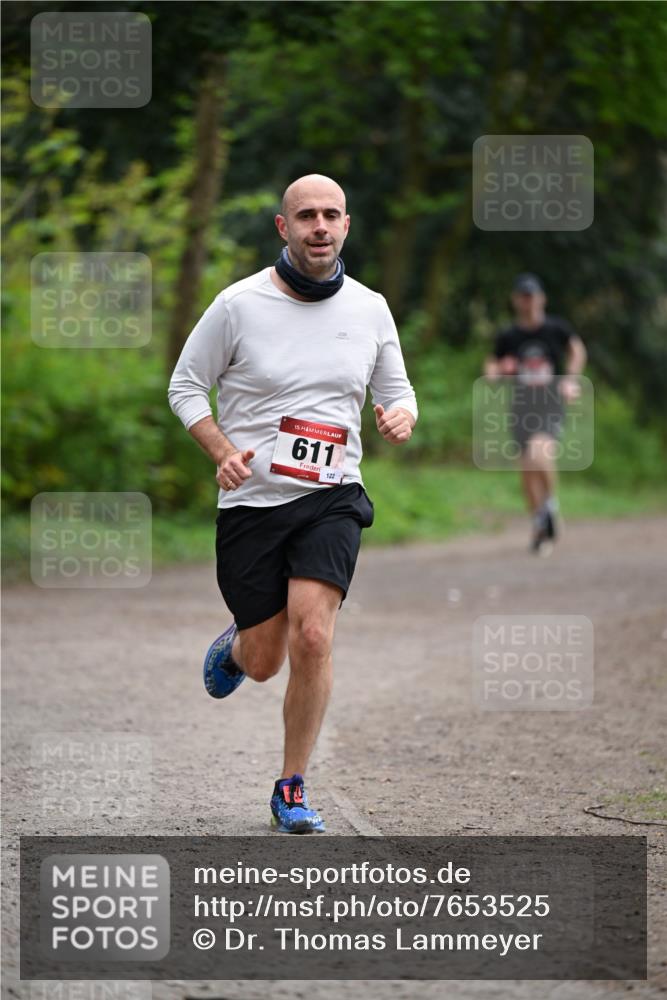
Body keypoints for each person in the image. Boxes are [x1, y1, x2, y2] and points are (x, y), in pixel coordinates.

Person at [168, 174, 417, 833]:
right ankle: (236, 648)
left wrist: (401, 416)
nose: (320, 226)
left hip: (332, 498)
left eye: (331, 214)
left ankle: (292, 786)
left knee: (313, 634)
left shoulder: (369, 307)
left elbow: (397, 392)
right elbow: (185, 386)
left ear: (346, 225)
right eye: (306, 215)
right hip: (252, 503)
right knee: (264, 661)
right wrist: (221, 449)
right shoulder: (237, 305)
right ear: (284, 227)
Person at [483, 273, 587, 552]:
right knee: (527, 471)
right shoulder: (509, 336)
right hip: (520, 407)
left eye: (532, 297)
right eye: (523, 297)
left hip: (550, 404)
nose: (528, 302)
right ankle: (541, 525)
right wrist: (498, 370)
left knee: (540, 452)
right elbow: (491, 367)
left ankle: (550, 505)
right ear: (516, 301)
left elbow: (577, 350)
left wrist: (571, 379)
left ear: (542, 299)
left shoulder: (556, 328)